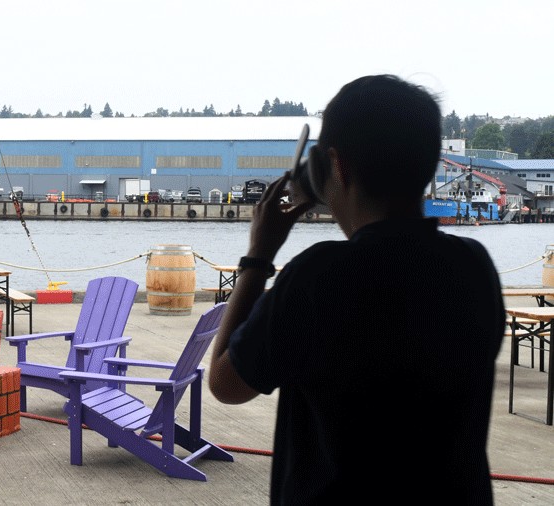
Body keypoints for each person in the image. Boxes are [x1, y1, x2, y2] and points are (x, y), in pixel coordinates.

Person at [208, 75, 504, 504]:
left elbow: (225, 384)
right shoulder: (474, 267)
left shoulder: (317, 276)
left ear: (336, 166)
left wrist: (258, 257)